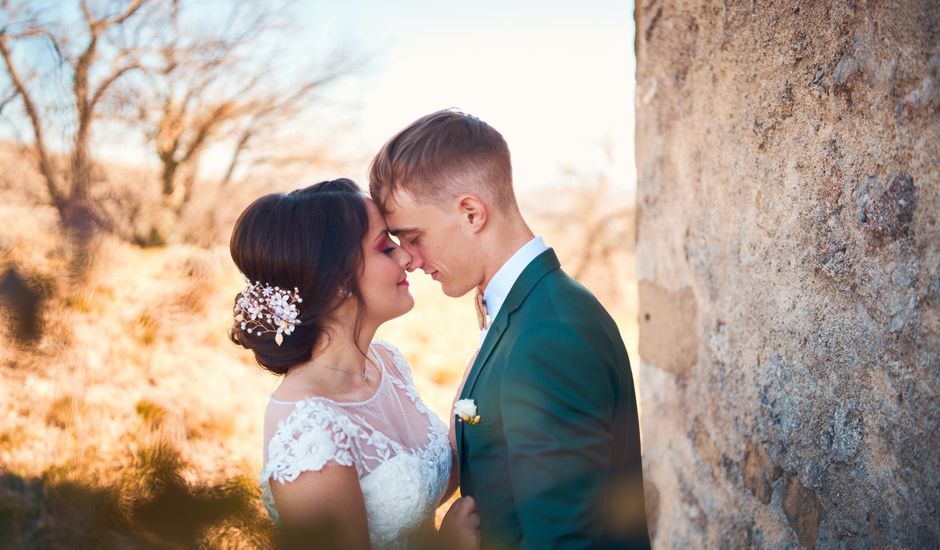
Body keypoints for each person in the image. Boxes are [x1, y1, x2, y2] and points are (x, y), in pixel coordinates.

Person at [369, 110, 650, 549]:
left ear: (471, 212)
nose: (410, 259)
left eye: (415, 237)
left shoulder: (550, 336)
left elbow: (567, 541)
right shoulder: (528, 307)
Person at [229, 178, 480, 549]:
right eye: (384, 247)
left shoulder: (387, 363)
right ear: (335, 284)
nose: (407, 258)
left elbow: (416, 486)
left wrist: (483, 373)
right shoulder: (308, 431)